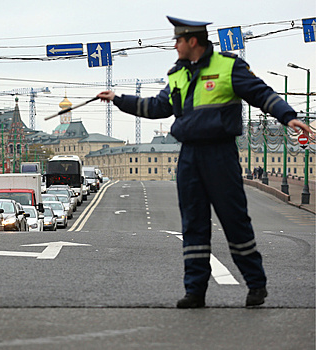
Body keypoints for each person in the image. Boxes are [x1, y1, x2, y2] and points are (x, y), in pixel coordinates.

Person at [97, 16, 311, 308]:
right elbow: (157, 107)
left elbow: (261, 94)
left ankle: (256, 285)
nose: (174, 46)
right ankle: (195, 291)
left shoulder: (229, 66)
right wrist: (118, 99)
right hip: (189, 157)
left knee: (235, 222)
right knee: (193, 225)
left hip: (220, 155)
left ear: (192, 41)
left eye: (178, 41)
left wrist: (288, 116)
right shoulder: (177, 75)